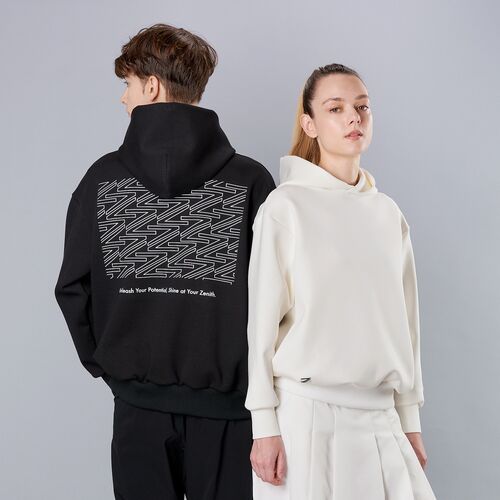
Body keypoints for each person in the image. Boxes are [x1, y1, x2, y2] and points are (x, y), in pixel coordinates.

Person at [54, 23, 275, 500]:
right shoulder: (251, 181)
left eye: (128, 84)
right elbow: (277, 300)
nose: (123, 97)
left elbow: (73, 287)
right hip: (231, 414)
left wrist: (112, 365)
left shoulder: (102, 179)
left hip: (137, 408)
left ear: (152, 86)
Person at [245, 63, 437, 499]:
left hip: (381, 415)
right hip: (307, 415)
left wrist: (410, 420)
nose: (354, 117)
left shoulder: (388, 213)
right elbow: (261, 327)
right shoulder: (285, 207)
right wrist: (263, 425)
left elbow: (407, 325)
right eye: (336, 108)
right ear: (309, 124)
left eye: (362, 107)